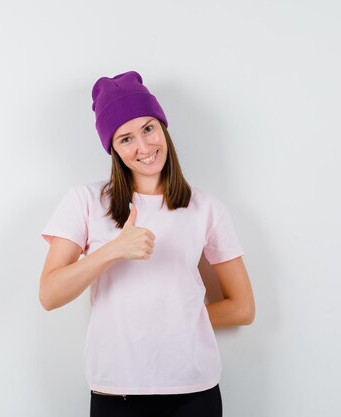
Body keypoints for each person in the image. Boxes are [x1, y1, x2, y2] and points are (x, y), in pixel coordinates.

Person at [39, 70, 255, 417]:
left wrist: (175, 319)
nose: (143, 147)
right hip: (116, 394)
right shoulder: (86, 201)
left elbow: (242, 308)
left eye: (148, 129)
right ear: (113, 148)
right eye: (125, 139)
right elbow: (49, 295)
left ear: (162, 128)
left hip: (194, 392)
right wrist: (114, 250)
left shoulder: (206, 209)